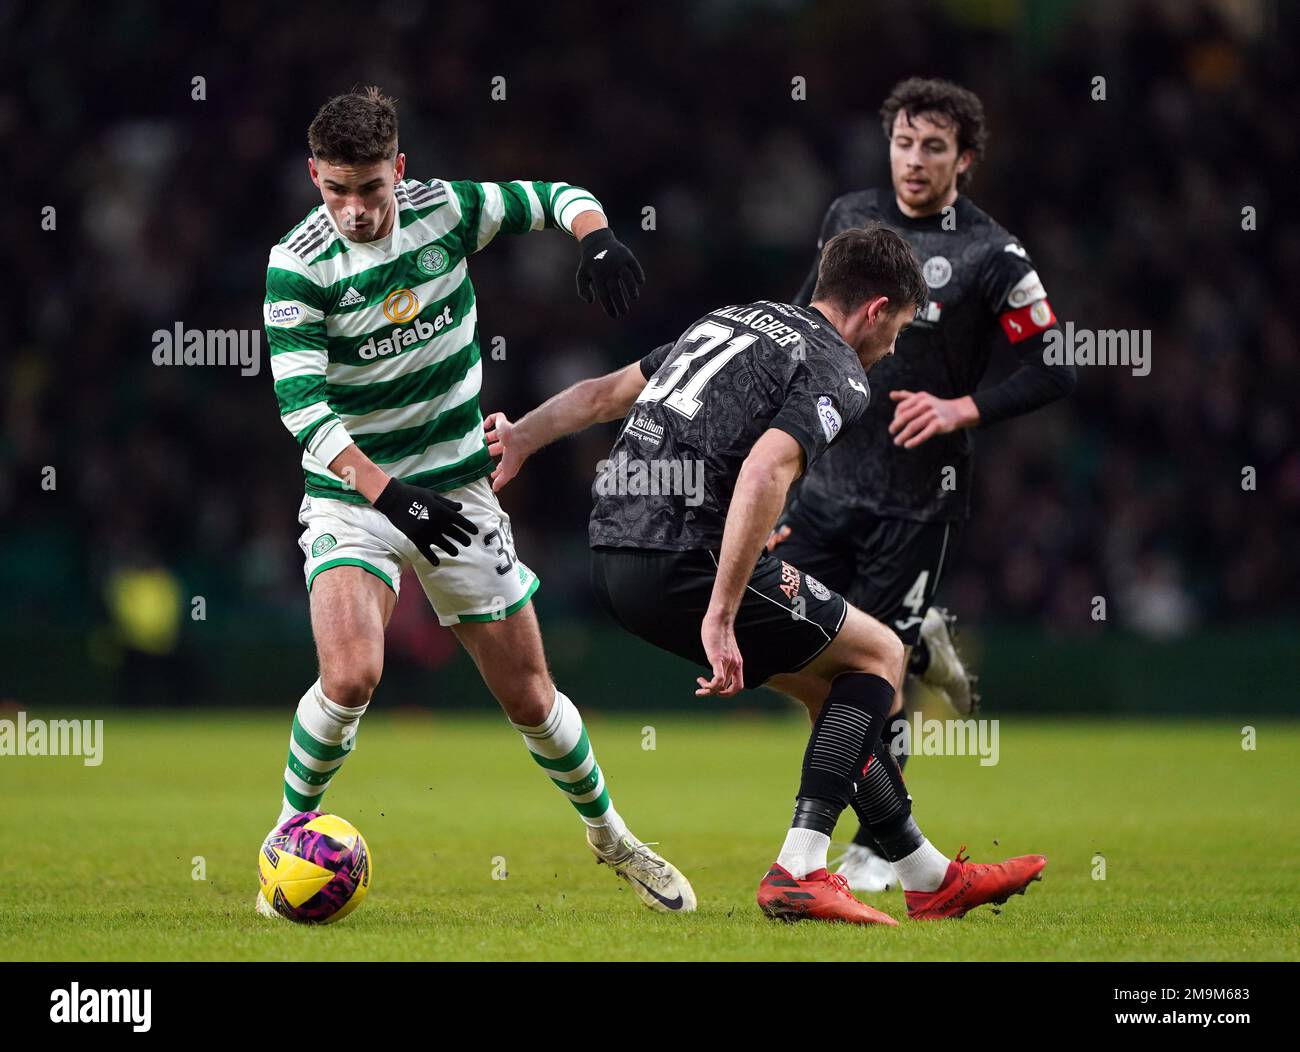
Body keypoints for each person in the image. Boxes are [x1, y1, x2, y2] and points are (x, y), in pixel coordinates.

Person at [486, 226, 1046, 924]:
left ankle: (927, 875)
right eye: (899, 329)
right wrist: (721, 613)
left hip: (615, 560)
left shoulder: (729, 319)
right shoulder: (837, 367)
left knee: (830, 692)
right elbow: (766, 468)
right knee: (882, 656)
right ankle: (801, 868)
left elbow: (604, 395)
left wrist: (521, 436)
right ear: (874, 310)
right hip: (685, 562)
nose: (894, 348)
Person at [257, 86, 695, 918]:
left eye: (371, 188)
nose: (354, 208)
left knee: (530, 697)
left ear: (401, 171)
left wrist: (595, 239)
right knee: (351, 674)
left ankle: (612, 840)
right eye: (336, 189)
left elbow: (556, 195)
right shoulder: (297, 263)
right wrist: (391, 495)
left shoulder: (449, 212)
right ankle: (285, 840)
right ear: (314, 175)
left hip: (455, 489)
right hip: (354, 494)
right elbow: (303, 411)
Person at [778, 78, 1077, 891]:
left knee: (873, 674)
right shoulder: (849, 219)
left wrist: (960, 409)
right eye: (905, 143)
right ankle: (919, 646)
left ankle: (874, 849)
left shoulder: (993, 254)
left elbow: (1055, 361)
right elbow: (809, 329)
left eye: (935, 147)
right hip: (827, 486)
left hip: (917, 502)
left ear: (965, 160)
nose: (915, 160)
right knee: (794, 652)